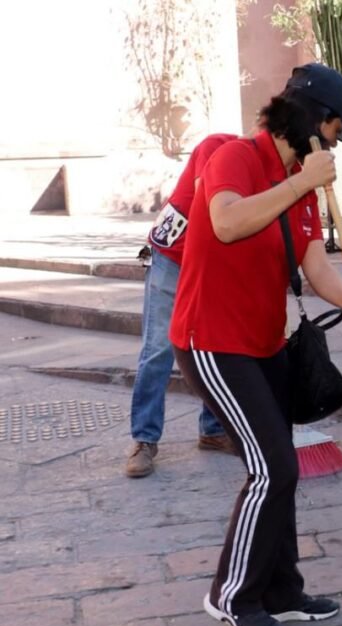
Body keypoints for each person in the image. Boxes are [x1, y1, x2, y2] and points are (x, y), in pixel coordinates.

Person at [169, 63, 342, 626]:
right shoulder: (235, 157)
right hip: (212, 341)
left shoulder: (302, 184)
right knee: (274, 467)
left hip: (264, 345)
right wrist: (301, 183)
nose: (338, 142)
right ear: (316, 122)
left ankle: (282, 590)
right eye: (337, 129)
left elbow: (313, 263)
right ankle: (231, 593)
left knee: (277, 469)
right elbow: (228, 221)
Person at [125, 133, 240, 478]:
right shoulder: (216, 147)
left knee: (215, 348)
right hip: (172, 258)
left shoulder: (272, 174)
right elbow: (213, 208)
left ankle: (213, 429)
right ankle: (144, 439)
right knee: (158, 349)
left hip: (214, 263)